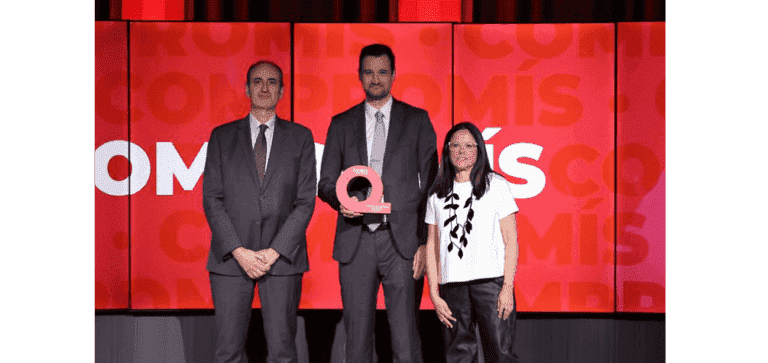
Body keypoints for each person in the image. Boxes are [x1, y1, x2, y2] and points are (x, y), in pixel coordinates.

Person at [318, 43, 438, 363]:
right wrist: (339, 201)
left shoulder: (417, 120)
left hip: (402, 241)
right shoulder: (341, 123)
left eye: (382, 71)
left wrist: (425, 243)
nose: (375, 78)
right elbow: (326, 182)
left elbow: (432, 185)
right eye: (369, 72)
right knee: (356, 340)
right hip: (355, 240)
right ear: (359, 76)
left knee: (405, 339)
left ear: (394, 75)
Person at [202, 60, 316, 363]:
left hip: (281, 260)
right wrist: (240, 251)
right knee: (227, 352)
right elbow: (212, 199)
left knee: (282, 352)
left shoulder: (301, 137)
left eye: (272, 82)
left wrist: (274, 251)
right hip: (231, 259)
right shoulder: (221, 137)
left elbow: (305, 201)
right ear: (246, 88)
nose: (264, 88)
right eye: (257, 81)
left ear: (281, 91)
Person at [425, 122, 520, 363]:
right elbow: (432, 247)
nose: (462, 151)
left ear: (479, 149)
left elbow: (511, 240)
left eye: (469, 145)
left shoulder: (496, 185)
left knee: (500, 354)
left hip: (491, 285)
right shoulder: (437, 192)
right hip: (452, 287)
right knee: (459, 355)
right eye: (455, 145)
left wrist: (507, 287)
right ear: (447, 150)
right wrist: (434, 295)